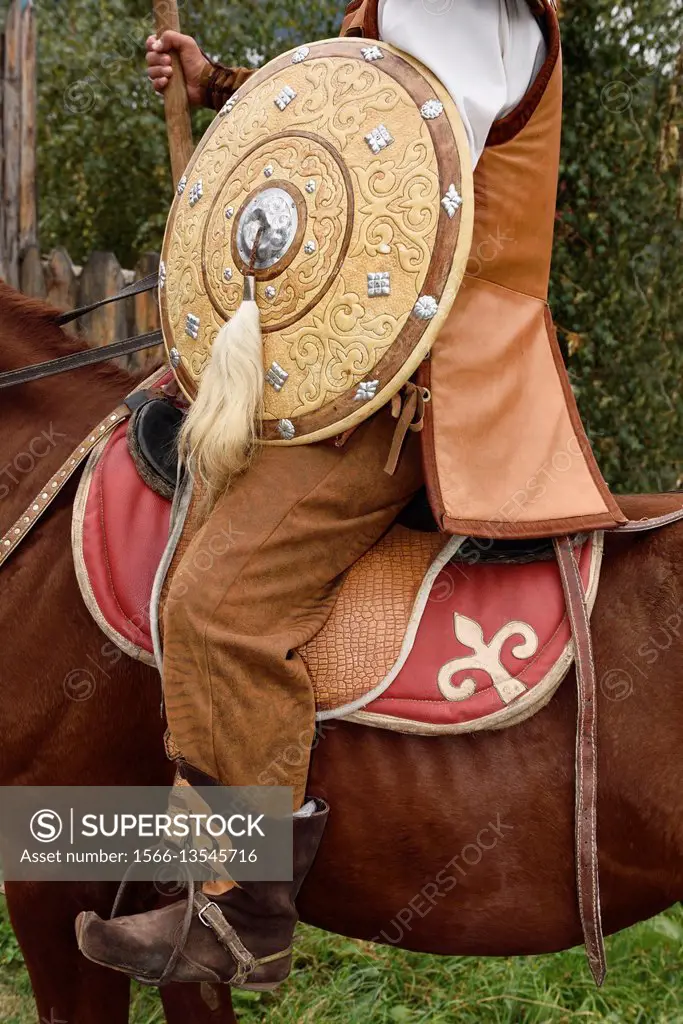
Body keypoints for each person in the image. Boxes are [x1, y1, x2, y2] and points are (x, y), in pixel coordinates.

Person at [76, 0, 623, 990]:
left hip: (416, 384)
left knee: (219, 607)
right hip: (367, 363)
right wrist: (221, 90)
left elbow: (412, 162)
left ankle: (243, 916)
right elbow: (358, 123)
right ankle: (128, 838)